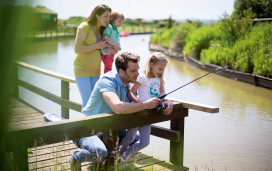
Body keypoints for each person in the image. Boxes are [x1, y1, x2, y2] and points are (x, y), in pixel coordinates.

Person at [70, 52, 174, 170]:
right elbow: (118, 107)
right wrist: (145, 105)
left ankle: (106, 160)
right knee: (101, 151)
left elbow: (153, 94)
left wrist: (167, 102)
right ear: (121, 72)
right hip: (87, 129)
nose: (138, 74)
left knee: (135, 139)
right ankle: (76, 158)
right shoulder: (108, 81)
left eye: (137, 70)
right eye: (133, 71)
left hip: (108, 129)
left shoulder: (131, 85)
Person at [119, 52, 169, 160]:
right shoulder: (142, 77)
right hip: (138, 112)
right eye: (160, 69)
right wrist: (141, 103)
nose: (161, 72)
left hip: (148, 114)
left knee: (145, 142)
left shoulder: (159, 79)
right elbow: (130, 92)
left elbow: (162, 92)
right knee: (130, 137)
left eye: (163, 70)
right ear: (151, 64)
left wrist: (162, 99)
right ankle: (115, 157)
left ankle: (123, 157)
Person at [73, 4, 118, 109]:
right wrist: (97, 46)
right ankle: (85, 125)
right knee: (87, 100)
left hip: (96, 70)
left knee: (95, 100)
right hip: (81, 68)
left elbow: (113, 49)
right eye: (105, 16)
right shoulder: (84, 26)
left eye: (109, 17)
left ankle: (92, 125)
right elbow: (77, 49)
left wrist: (113, 51)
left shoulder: (106, 30)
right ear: (97, 16)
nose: (108, 19)